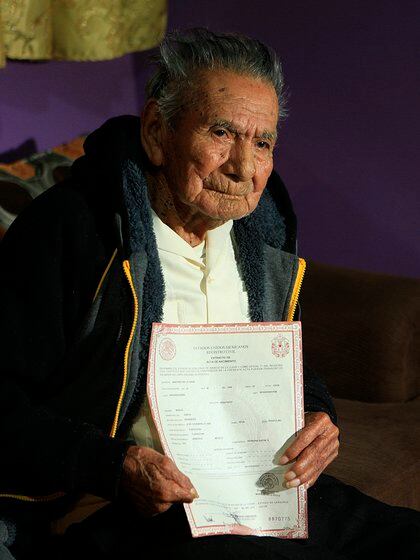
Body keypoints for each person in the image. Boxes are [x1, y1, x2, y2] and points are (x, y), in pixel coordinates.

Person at [0, 28, 418, 560]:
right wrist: (113, 465)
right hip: (111, 507)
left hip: (254, 489)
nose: (244, 167)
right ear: (157, 131)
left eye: (262, 142)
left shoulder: (260, 234)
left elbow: (277, 362)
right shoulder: (72, 231)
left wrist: (316, 413)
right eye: (221, 132)